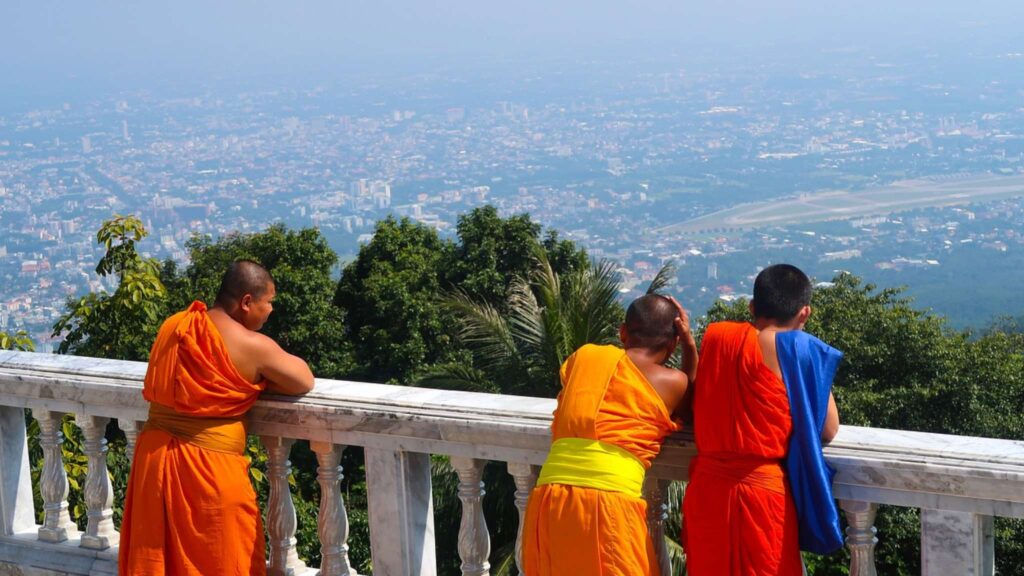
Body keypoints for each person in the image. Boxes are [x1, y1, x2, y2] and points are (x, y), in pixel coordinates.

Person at [119, 260, 315, 575]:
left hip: (153, 466)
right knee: (224, 561)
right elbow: (303, 379)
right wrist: (259, 379)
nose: (271, 310)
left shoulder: (175, 326)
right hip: (210, 475)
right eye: (269, 302)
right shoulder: (252, 346)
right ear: (247, 302)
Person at [682, 264, 844, 576]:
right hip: (762, 493)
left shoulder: (718, 338)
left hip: (707, 491)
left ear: (753, 307)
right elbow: (828, 428)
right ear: (805, 313)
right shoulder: (799, 349)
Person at [521, 293, 698, 575]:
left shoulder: (584, 357)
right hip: (611, 505)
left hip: (550, 500)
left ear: (623, 331)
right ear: (673, 341)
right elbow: (689, 403)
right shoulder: (671, 381)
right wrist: (690, 346)